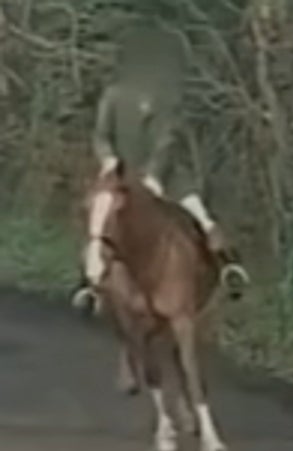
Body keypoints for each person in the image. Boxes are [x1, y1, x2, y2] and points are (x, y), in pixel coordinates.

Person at [72, 24, 248, 314]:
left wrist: (154, 174)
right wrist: (108, 158)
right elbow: (101, 135)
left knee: (200, 215)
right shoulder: (113, 96)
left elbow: (169, 139)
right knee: (99, 220)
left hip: (167, 176)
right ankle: (88, 286)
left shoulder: (167, 99)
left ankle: (228, 267)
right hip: (121, 175)